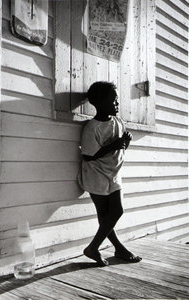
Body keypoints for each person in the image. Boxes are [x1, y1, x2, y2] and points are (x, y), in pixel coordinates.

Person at [77, 81, 142, 266]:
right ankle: (98, 248)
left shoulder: (118, 122)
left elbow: (119, 149)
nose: (117, 104)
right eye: (114, 101)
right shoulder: (92, 127)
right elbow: (89, 156)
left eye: (117, 101)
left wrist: (124, 142)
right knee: (108, 213)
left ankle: (105, 248)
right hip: (96, 174)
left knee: (114, 212)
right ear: (100, 102)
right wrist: (113, 145)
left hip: (113, 173)